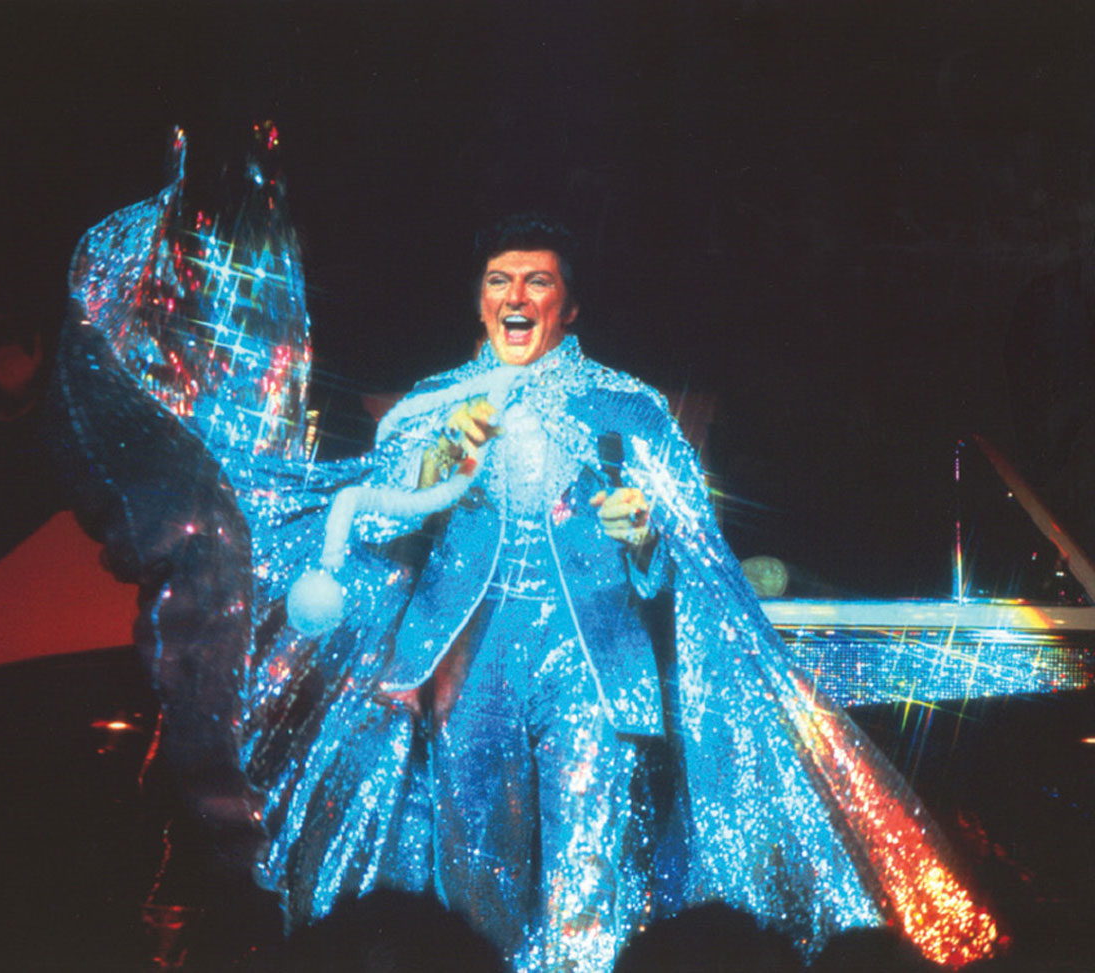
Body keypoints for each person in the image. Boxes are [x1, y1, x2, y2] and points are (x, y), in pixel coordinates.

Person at [246, 215, 1001, 971]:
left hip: (593, 658)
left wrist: (644, 535)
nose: (517, 295)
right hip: (467, 659)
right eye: (499, 280)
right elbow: (375, 516)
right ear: (479, 301)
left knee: (590, 857)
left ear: (569, 305)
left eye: (538, 280)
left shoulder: (626, 405)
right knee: (475, 859)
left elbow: (694, 553)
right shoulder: (436, 401)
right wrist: (443, 457)